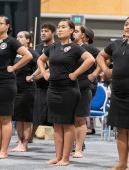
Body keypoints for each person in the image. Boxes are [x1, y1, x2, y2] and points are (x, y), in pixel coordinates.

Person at [37, 19, 95, 166]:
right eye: (59, 27)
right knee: (56, 123)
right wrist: (44, 73)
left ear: (71, 31)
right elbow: (40, 60)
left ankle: (66, 158)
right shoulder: (53, 47)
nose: (60, 29)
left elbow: (90, 59)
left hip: (69, 90)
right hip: (53, 89)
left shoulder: (75, 47)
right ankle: (57, 157)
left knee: (68, 124)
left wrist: (75, 73)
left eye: (63, 27)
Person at [0, 16, 32, 159]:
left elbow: (27, 56)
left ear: (7, 26)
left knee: (5, 118)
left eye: (0, 23)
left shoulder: (11, 42)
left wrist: (14, 67)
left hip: (6, 83)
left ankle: (4, 151)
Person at [96, 17, 129, 170]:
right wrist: (106, 71)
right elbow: (100, 56)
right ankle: (122, 163)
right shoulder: (116, 44)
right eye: (126, 24)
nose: (127, 27)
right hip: (118, 92)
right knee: (121, 128)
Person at [27, 22, 56, 141]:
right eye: (42, 31)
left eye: (46, 31)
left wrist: (35, 76)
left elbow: (52, 67)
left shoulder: (55, 47)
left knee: (55, 116)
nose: (43, 33)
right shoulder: (38, 48)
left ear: (53, 33)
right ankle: (29, 138)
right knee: (36, 114)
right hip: (38, 87)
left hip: (51, 86)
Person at [72, 25, 98, 158]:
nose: (73, 33)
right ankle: (73, 143)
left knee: (79, 117)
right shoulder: (68, 48)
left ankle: (79, 147)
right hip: (68, 87)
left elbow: (104, 60)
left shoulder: (90, 49)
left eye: (76, 31)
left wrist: (94, 75)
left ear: (83, 35)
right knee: (69, 118)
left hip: (84, 85)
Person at [11, 31, 39, 152]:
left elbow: (43, 66)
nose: (18, 38)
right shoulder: (15, 54)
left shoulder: (32, 53)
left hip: (27, 89)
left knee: (26, 117)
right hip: (15, 88)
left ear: (28, 40)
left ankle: (24, 144)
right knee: (18, 117)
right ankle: (20, 141)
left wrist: (32, 76)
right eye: (17, 37)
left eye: (21, 37)